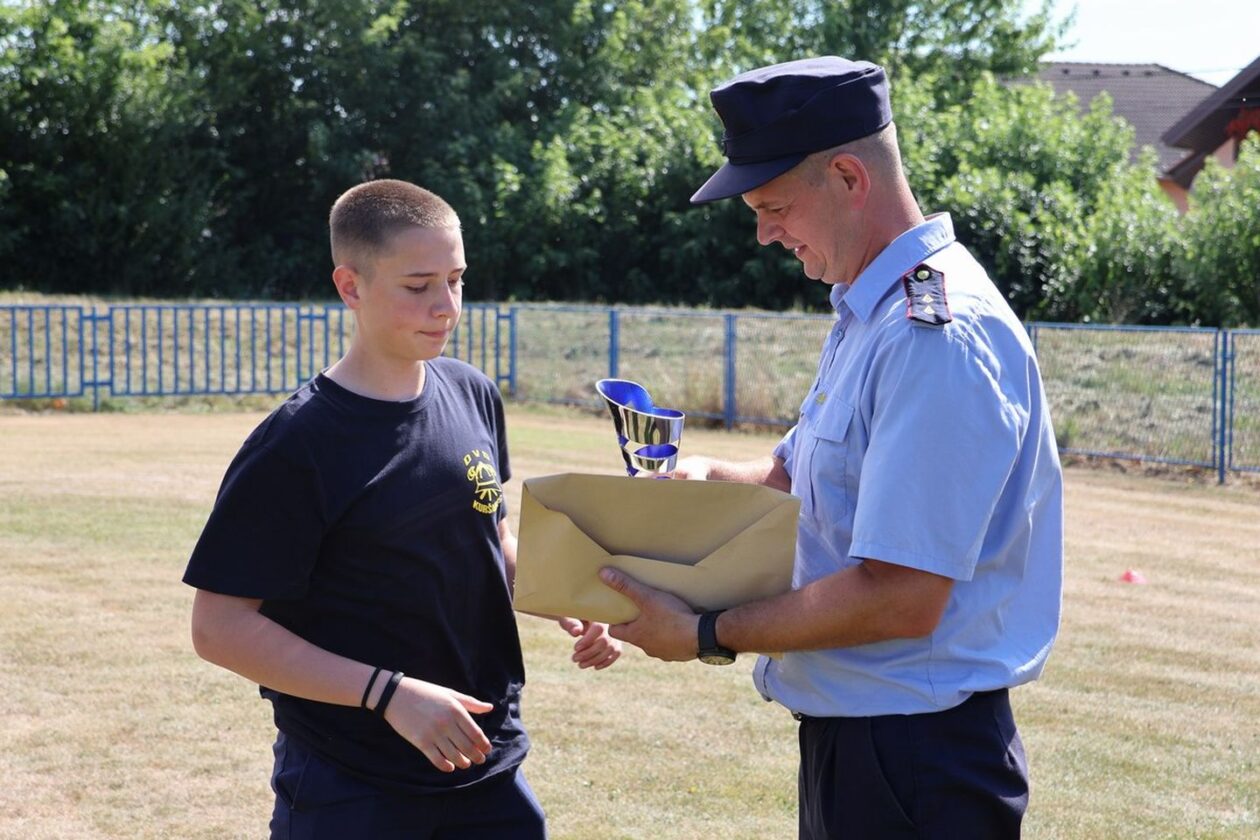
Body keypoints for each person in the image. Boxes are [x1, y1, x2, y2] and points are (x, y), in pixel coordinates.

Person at [600, 57, 1063, 839]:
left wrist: (707, 633)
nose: (764, 233)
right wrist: (705, 479)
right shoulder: (870, 311)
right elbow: (797, 478)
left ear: (849, 177)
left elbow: (901, 595)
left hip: (917, 762)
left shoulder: (932, 335)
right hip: (875, 747)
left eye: (775, 207)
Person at [185, 178, 620, 839]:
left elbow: (490, 539)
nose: (446, 306)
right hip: (352, 783)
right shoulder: (298, 444)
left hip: (487, 761)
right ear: (350, 287)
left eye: (456, 280)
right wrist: (387, 694)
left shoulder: (471, 393)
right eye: (418, 286)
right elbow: (218, 627)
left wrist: (568, 593)